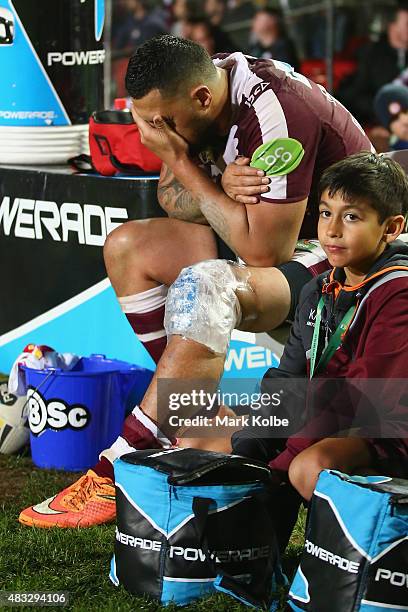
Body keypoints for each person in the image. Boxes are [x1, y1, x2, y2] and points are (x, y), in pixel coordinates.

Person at [18, 35, 373, 529]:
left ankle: (122, 459)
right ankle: (200, 422)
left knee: (208, 283)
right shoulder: (194, 96)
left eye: (163, 125)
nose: (158, 134)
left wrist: (190, 167)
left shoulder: (276, 113)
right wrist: (220, 183)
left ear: (202, 99)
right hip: (269, 238)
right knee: (128, 246)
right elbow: (172, 199)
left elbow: (263, 252)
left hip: (345, 258)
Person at [232, 152, 408, 505]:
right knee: (220, 441)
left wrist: (280, 465)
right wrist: (253, 442)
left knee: (306, 467)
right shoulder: (319, 288)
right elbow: (290, 377)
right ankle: (261, 553)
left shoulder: (398, 292)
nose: (332, 229)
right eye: (326, 213)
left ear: (391, 228)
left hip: (389, 428)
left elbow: (360, 398)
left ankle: (366, 552)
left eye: (352, 217)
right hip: (342, 420)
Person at [338, 5, 408, 124]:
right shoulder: (370, 55)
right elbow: (355, 96)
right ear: (392, 27)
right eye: (407, 24)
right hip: (377, 124)